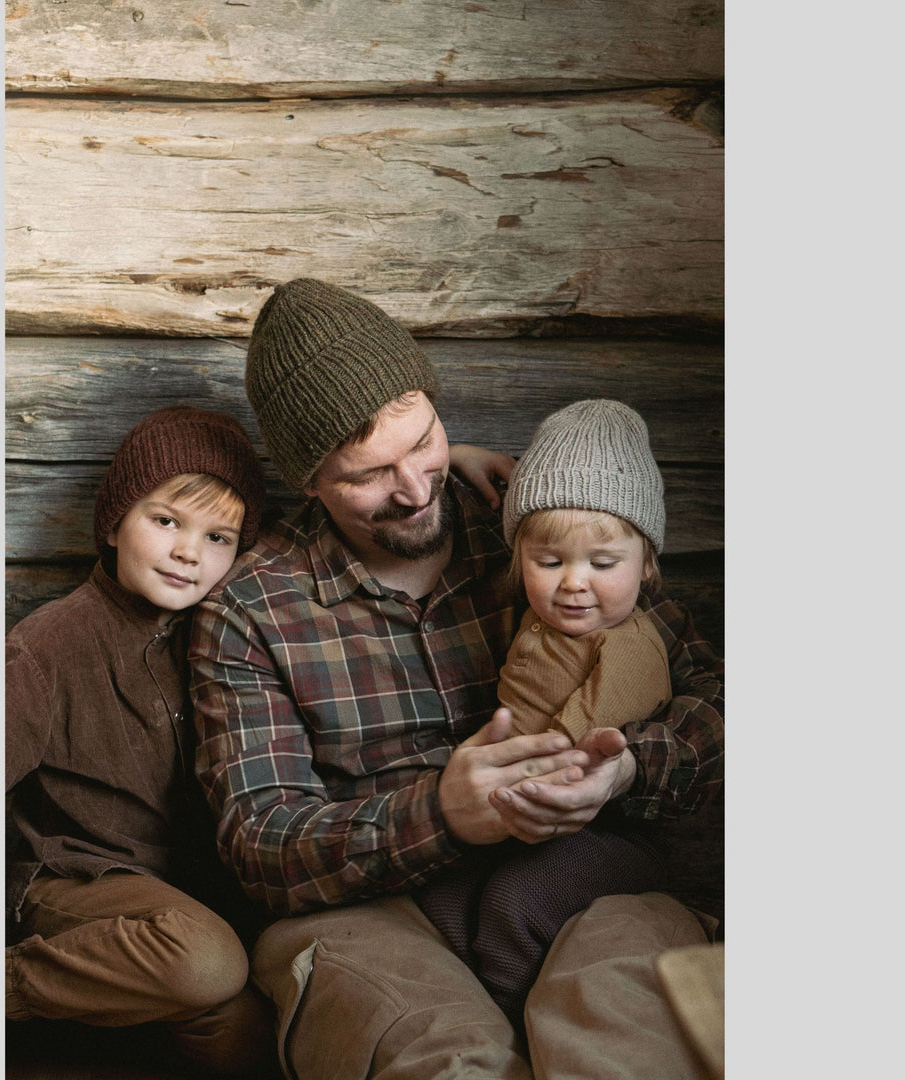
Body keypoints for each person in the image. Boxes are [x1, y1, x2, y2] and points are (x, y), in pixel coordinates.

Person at [189, 278, 725, 1079]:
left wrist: (627, 769)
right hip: (371, 913)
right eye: (369, 474)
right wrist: (438, 814)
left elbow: (718, 705)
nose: (413, 489)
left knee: (622, 1032)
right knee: (445, 1057)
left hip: (585, 882)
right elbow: (260, 842)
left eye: (424, 441)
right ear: (306, 482)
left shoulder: (540, 528)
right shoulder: (252, 609)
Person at [5, 406, 280, 1078]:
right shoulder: (52, 641)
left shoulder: (221, 635)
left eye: (219, 537)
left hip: (176, 901)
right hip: (70, 882)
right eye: (166, 521)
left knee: (253, 1032)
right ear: (115, 521)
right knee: (207, 961)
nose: (190, 552)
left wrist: (455, 461)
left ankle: (110, 1034)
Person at [416, 398, 697, 1022]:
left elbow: (589, 734)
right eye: (550, 563)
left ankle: (517, 1017)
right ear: (519, 560)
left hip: (605, 825)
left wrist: (555, 773)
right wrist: (453, 458)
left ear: (647, 563)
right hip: (517, 810)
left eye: (603, 564)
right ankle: (482, 1018)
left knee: (519, 903)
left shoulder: (627, 643)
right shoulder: (538, 618)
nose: (574, 582)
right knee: (443, 897)